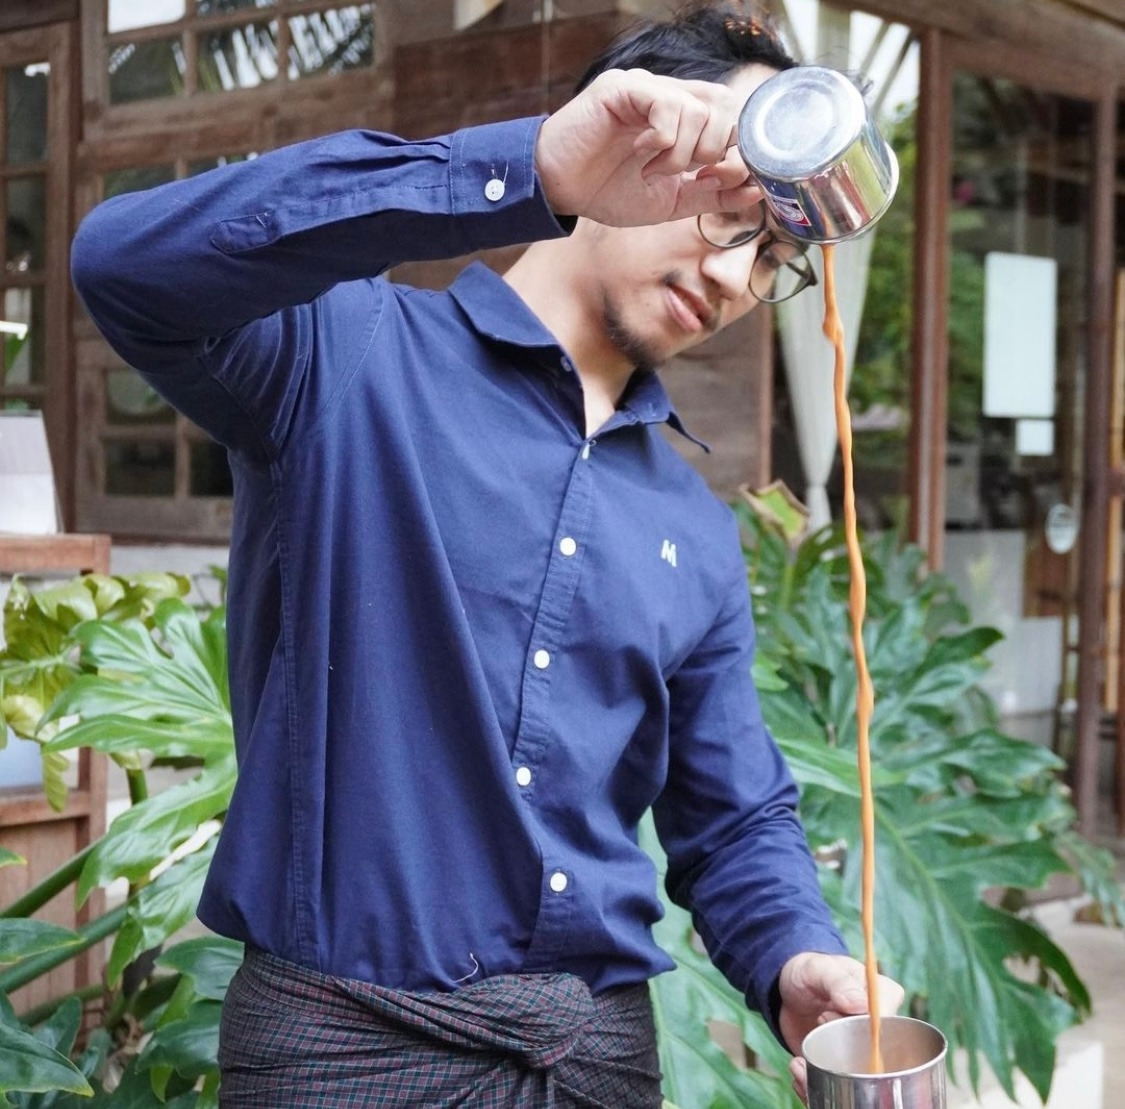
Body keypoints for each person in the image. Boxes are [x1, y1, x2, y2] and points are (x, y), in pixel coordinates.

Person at [72, 2, 903, 1105]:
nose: (734, 272)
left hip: (596, 1067)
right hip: (343, 1059)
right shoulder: (348, 353)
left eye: (775, 256)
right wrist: (534, 167)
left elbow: (735, 817)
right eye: (729, 208)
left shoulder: (695, 529)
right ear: (630, 140)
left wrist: (795, 954)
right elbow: (124, 265)